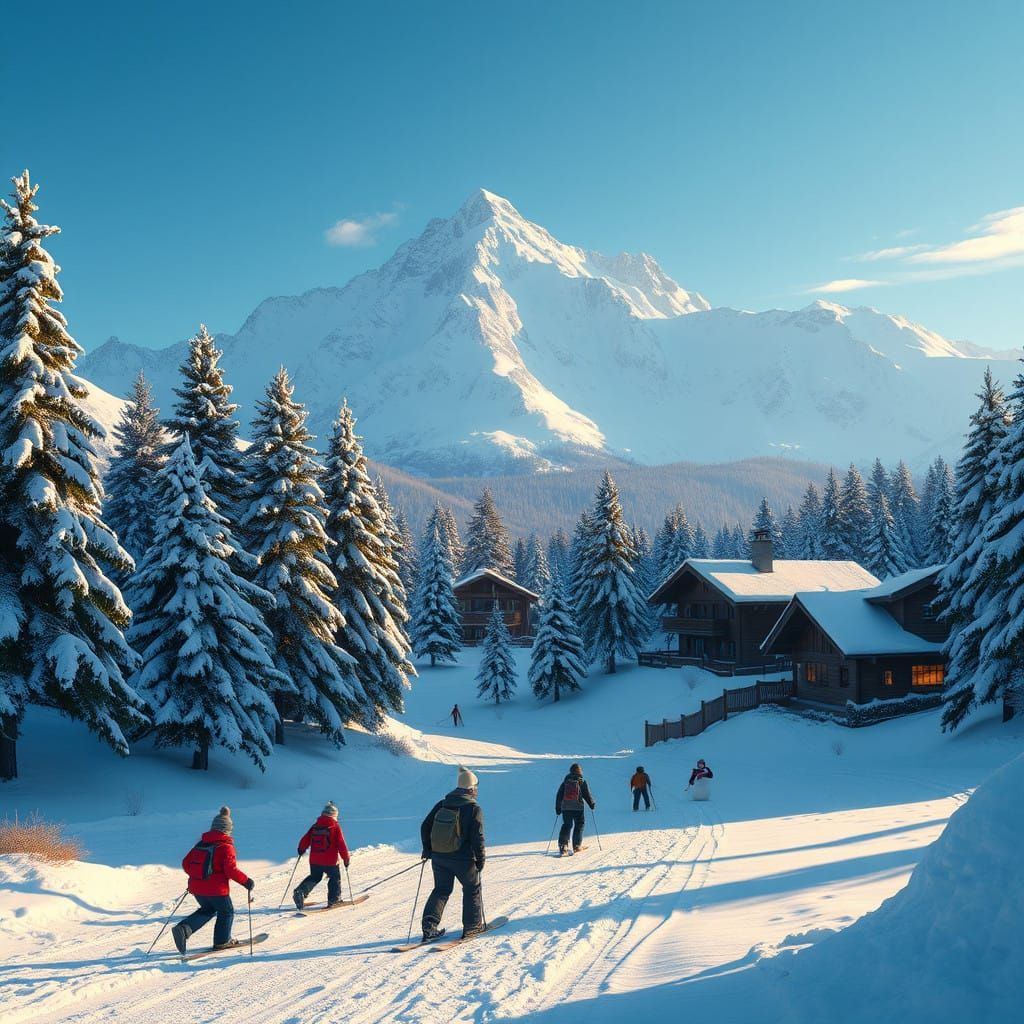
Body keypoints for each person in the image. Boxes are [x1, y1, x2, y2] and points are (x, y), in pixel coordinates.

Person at [172, 805, 255, 954]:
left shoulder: (201, 844)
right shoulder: (226, 847)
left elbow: (185, 863)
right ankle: (222, 941)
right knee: (226, 912)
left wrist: (198, 876)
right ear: (227, 829)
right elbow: (230, 870)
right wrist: (246, 881)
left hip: (196, 888)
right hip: (216, 890)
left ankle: (184, 929)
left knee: (208, 909)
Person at [420, 766, 486, 942]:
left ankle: (429, 927)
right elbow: (477, 837)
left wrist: (427, 850)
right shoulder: (473, 809)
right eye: (476, 788)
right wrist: (480, 859)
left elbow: (425, 826)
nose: (477, 791)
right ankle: (472, 927)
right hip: (463, 859)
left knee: (441, 890)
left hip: (439, 857)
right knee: (472, 889)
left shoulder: (442, 804)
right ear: (470, 788)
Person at [292, 800, 351, 910]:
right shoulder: (335, 826)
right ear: (334, 815)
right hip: (330, 861)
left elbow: (305, 839)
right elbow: (341, 844)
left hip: (315, 860)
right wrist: (346, 858)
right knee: (334, 878)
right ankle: (334, 899)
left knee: (315, 877)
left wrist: (301, 849)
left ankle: (300, 891)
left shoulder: (315, 826)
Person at [555, 762, 596, 855]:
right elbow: (587, 794)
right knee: (579, 824)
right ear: (580, 771)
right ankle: (577, 845)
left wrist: (558, 808)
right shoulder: (581, 781)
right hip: (578, 807)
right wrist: (591, 804)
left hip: (566, 807)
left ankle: (563, 846)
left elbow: (559, 795)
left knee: (567, 825)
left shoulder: (565, 782)